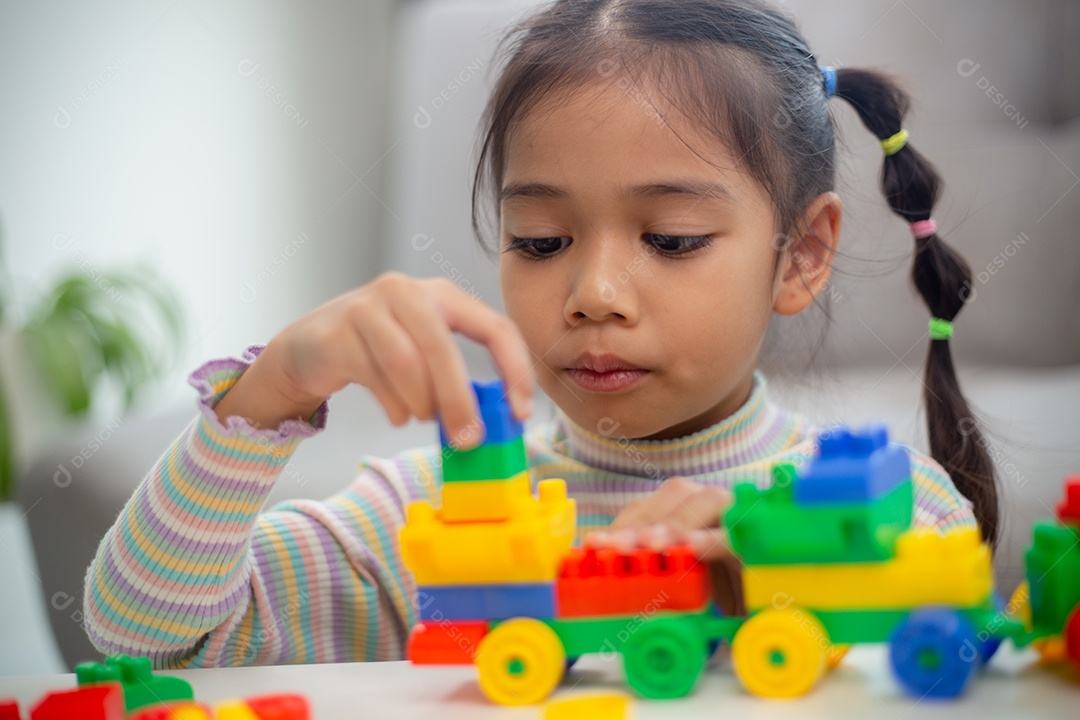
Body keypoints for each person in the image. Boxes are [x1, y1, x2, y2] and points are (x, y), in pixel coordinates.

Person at [84, 0, 999, 668]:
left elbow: (960, 665)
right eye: (542, 241)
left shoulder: (904, 511)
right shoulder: (428, 517)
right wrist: (271, 391)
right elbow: (148, 633)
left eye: (671, 239)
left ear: (801, 255)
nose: (593, 293)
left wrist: (767, 575)